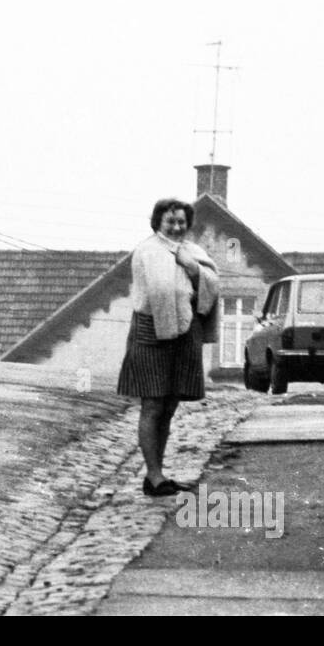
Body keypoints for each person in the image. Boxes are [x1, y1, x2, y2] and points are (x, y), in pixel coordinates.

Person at [117, 198, 220, 497]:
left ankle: (158, 474)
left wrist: (193, 269)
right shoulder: (148, 250)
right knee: (153, 404)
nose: (176, 227)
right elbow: (161, 289)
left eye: (181, 222)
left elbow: (212, 285)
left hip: (185, 331)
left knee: (170, 404)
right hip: (154, 331)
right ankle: (153, 474)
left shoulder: (193, 252)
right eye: (170, 221)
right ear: (158, 222)